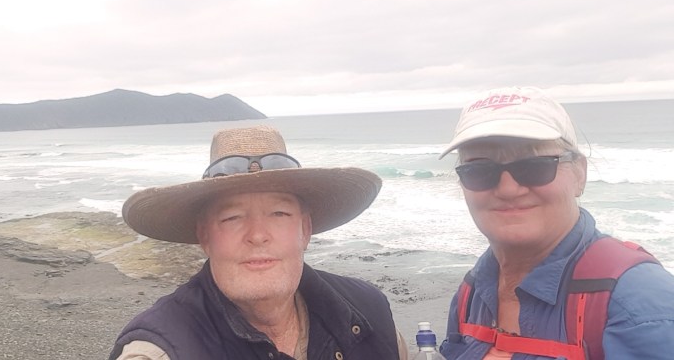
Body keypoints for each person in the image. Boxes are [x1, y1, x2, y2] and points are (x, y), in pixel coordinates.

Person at [109, 125, 408, 360]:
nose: (257, 234)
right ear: (205, 236)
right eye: (232, 217)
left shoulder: (370, 313)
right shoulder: (159, 351)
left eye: (279, 213)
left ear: (305, 229)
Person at [437, 87, 674, 359]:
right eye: (479, 170)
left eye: (535, 166)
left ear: (579, 174)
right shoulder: (471, 294)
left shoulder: (640, 305)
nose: (508, 189)